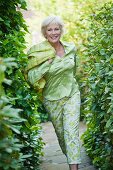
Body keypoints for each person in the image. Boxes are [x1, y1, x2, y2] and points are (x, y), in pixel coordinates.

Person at [25, 15, 81, 170]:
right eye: (50, 29)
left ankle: (74, 168)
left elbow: (73, 70)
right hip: (52, 99)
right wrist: (45, 65)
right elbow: (31, 78)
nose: (54, 32)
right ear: (45, 33)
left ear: (61, 30)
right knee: (63, 137)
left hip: (72, 94)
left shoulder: (71, 48)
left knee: (72, 133)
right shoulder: (39, 53)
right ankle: (72, 158)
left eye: (57, 29)